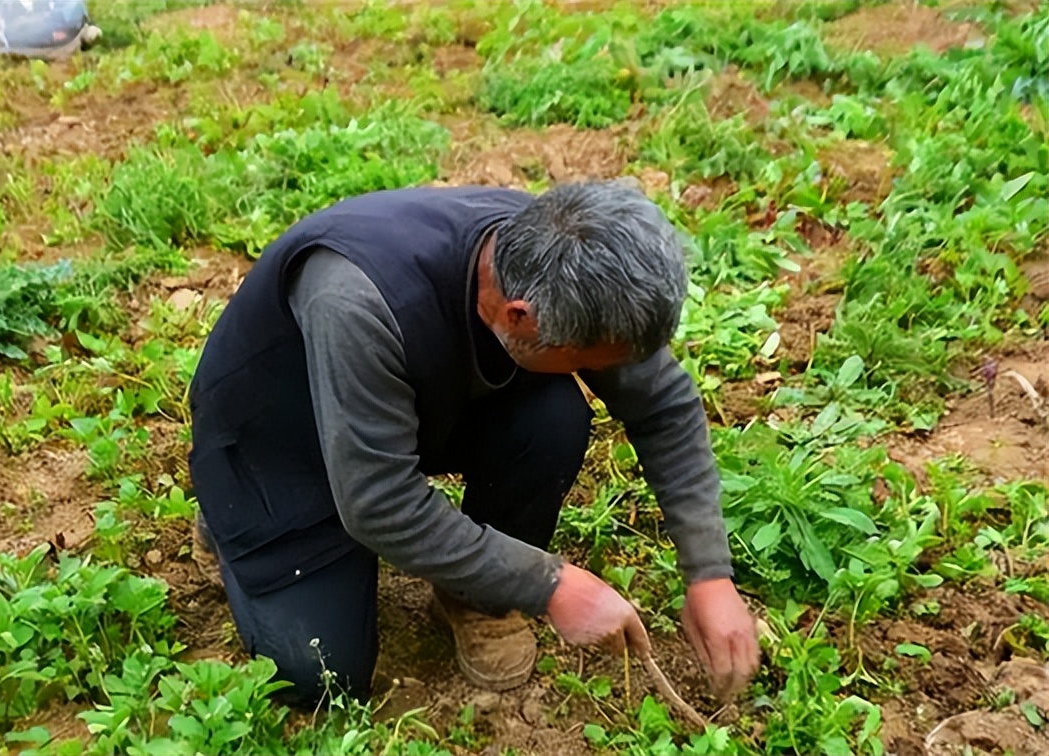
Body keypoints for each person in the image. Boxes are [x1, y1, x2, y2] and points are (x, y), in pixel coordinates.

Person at [186, 180, 760, 706]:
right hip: (279, 443)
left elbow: (663, 405)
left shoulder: (564, 267)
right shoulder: (357, 299)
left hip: (401, 410)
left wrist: (709, 574)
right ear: (520, 315)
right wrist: (550, 585)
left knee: (553, 413)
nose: (603, 373)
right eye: (588, 362)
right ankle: (231, 523)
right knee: (321, 672)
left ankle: (472, 594)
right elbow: (379, 504)